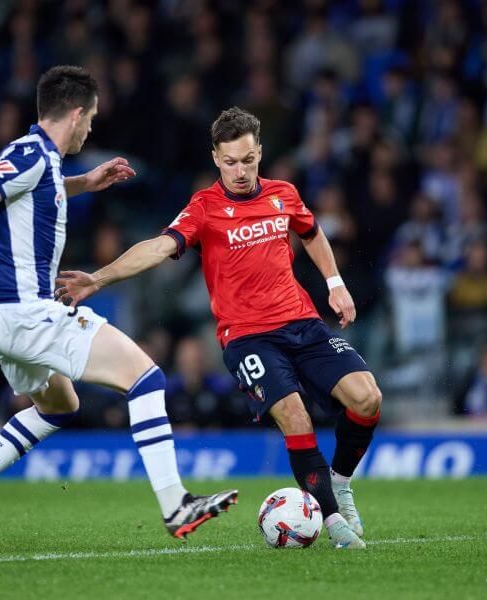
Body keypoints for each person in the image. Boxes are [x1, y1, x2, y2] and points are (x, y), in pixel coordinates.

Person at [55, 107, 382, 550]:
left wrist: (335, 283)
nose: (241, 171)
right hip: (248, 337)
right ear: (216, 159)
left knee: (367, 398)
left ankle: (339, 486)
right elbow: (156, 247)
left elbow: (310, 231)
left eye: (248, 160)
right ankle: (333, 522)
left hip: (303, 323)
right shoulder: (204, 208)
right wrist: (99, 277)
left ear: (259, 153)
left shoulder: (283, 194)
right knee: (294, 413)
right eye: (231, 162)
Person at [0, 66, 236, 541]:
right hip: (23, 312)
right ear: (76, 114)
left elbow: (27, 193)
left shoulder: (42, 162)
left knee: (58, 405)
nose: (92, 127)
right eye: (92, 117)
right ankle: (176, 504)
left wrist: (85, 181)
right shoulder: (31, 153)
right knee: (146, 377)